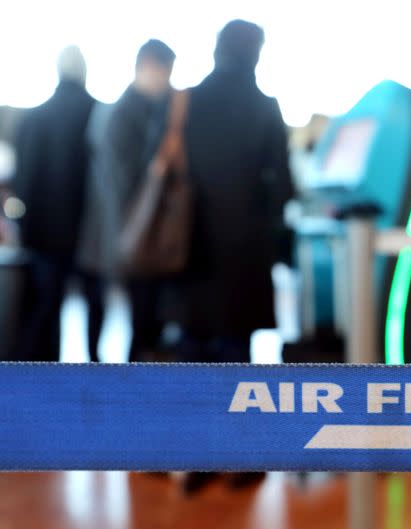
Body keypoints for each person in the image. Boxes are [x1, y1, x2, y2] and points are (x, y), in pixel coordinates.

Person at [168, 19, 295, 492]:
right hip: (242, 255)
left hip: (191, 251)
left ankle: (195, 462)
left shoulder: (188, 100)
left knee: (192, 352)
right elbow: (282, 187)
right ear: (255, 53)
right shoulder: (263, 107)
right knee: (235, 357)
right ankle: (238, 460)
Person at [81, 39, 176, 362]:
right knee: (136, 316)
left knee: (139, 317)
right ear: (149, 66)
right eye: (166, 72)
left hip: (125, 232)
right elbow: (123, 183)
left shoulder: (132, 108)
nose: (168, 82)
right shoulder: (124, 112)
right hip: (128, 232)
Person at [11, 46, 97, 361]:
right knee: (95, 307)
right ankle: (99, 376)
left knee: (44, 310)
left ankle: (42, 385)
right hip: (90, 232)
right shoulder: (97, 113)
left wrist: (24, 227)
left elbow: (23, 181)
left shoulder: (33, 119)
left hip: (43, 234)